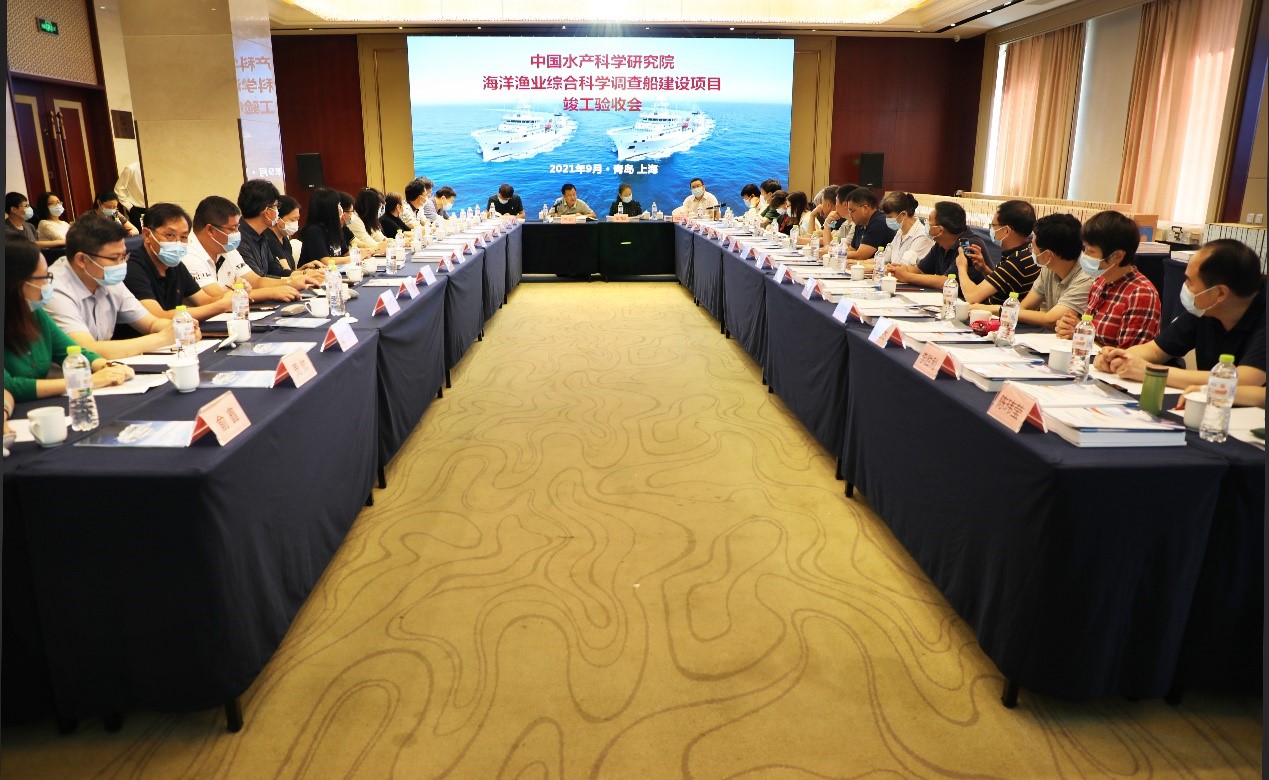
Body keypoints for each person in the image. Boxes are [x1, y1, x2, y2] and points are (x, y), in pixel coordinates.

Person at [1095, 239, 1265, 389]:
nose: (1184, 287)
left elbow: (1244, 380)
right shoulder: (1204, 309)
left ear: (1220, 293)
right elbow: (1156, 350)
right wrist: (1118, 357)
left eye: (1189, 281)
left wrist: (1151, 371)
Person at [4, 238, 133, 401]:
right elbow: (10, 386)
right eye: (43, 278)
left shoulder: (34, 313)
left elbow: (73, 352)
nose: (47, 285)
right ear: (17, 284)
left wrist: (106, 366)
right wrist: (86, 381)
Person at [44, 215, 178, 358]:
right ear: (82, 259)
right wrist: (163, 338)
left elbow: (151, 324)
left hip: (103, 367)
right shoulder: (52, 289)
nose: (122, 264)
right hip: (69, 370)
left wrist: (181, 327)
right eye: (114, 258)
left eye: (124, 256)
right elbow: (87, 350)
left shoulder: (105, 277)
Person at [1054, 210, 1160, 349]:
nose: (1084, 255)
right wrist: (1076, 328)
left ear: (1118, 256)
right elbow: (1094, 333)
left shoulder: (1141, 295)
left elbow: (1128, 355)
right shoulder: (1100, 282)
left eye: (1091, 251)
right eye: (1085, 249)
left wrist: (1083, 336)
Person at [970, 213, 1093, 330]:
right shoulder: (1048, 268)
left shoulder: (1086, 278)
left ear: (1048, 255)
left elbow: (1051, 319)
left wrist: (995, 309)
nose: (1031, 251)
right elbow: (1025, 307)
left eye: (1032, 247)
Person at [123, 202, 232, 324]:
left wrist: (233, 295)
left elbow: (204, 301)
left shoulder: (174, 264)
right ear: (147, 235)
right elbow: (158, 316)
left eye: (183, 237)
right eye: (169, 235)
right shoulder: (130, 267)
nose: (177, 243)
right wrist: (221, 306)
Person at [186, 195, 306, 301]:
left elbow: (256, 281)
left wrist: (290, 282)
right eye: (232, 229)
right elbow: (216, 298)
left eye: (237, 227)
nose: (237, 233)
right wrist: (272, 293)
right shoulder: (189, 254)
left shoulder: (226, 247)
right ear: (210, 230)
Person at [955, 199, 1038, 305]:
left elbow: (972, 297)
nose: (992, 230)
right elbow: (1004, 282)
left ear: (1006, 230)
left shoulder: (1017, 260)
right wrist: (984, 269)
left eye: (994, 226)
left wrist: (962, 267)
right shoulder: (1027, 251)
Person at [237, 179, 320, 284]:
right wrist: (292, 281)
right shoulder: (239, 239)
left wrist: (305, 274)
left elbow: (276, 271)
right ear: (267, 212)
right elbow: (257, 281)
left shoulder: (261, 234)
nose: (277, 211)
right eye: (276, 206)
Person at [890, 201, 988, 290]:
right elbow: (920, 270)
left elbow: (947, 281)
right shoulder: (940, 244)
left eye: (929, 221)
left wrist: (906, 276)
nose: (926, 223)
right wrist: (898, 269)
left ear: (940, 230)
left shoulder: (967, 245)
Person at [296, 188, 352, 268]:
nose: (341, 209)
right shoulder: (314, 231)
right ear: (329, 209)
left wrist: (363, 252)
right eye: (338, 205)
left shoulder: (334, 228)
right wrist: (353, 258)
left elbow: (345, 253)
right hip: (314, 273)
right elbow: (325, 261)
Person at [875, 191, 933, 267]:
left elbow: (902, 268)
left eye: (889, 217)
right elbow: (884, 259)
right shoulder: (900, 231)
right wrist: (861, 263)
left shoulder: (922, 235)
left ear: (903, 215)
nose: (887, 219)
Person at [842, 187, 896, 261]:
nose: (850, 215)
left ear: (865, 208)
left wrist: (836, 254)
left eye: (852, 211)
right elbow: (852, 249)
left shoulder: (879, 223)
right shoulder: (860, 223)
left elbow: (861, 255)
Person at [347, 187, 391, 254]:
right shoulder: (354, 220)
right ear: (371, 207)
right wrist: (385, 246)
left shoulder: (368, 219)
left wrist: (393, 242)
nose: (381, 209)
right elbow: (367, 242)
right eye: (379, 206)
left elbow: (379, 237)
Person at [270, 195, 302, 271]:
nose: (296, 223)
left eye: (297, 219)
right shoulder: (270, 240)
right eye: (292, 220)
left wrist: (303, 269)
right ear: (277, 218)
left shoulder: (284, 239)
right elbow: (285, 272)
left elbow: (290, 271)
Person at [114, 161, 147, 229]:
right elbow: (118, 189)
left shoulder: (155, 167)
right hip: (137, 209)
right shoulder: (131, 169)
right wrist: (130, 207)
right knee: (141, 232)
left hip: (155, 208)